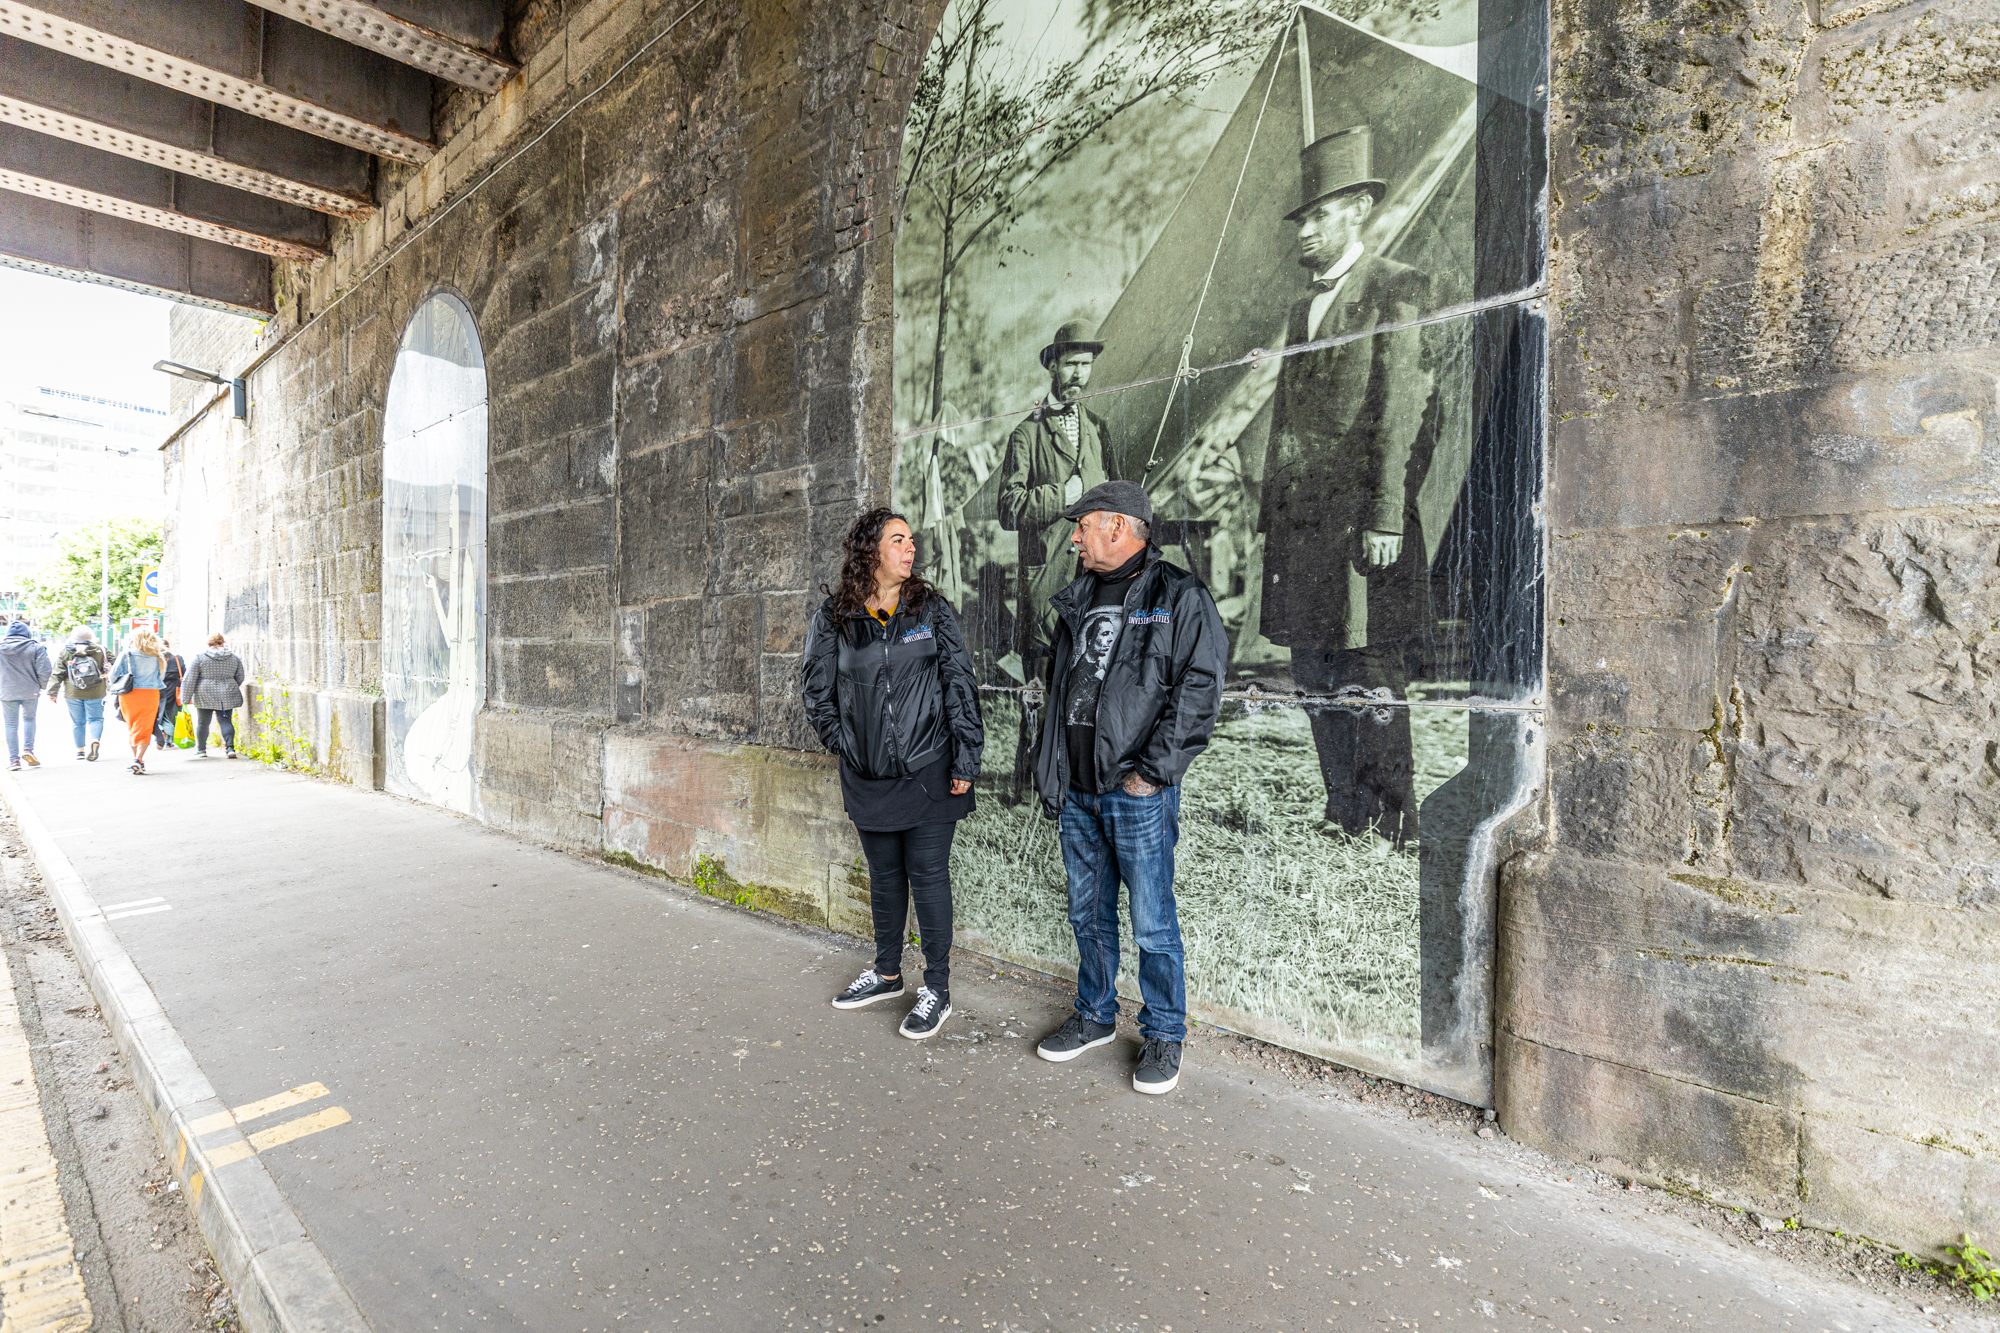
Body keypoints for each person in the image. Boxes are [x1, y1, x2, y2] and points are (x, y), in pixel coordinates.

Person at [1257, 124, 1434, 848]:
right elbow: (1285, 421)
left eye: (1322, 214)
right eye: (1302, 218)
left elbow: (1397, 412)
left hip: (1363, 520)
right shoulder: (1303, 311)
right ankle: (1345, 807)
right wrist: (1271, 516)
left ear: (1359, 208)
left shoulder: (1395, 287)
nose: (1307, 232)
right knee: (1312, 668)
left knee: (1371, 668)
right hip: (1302, 527)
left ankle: (1397, 815)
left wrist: (1386, 514)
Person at [1029, 481, 1225, 1095]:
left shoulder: (1178, 596)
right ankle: (1094, 1016)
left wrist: (1152, 773)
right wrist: (1054, 770)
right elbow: (1063, 690)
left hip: (1134, 791)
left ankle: (1165, 1032)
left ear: (1117, 526)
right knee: (1087, 914)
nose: (1073, 537)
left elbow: (1200, 691)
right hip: (1079, 791)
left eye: (1081, 526)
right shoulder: (1078, 596)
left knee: (1151, 922)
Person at [802, 507, 984, 1041]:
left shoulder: (930, 609)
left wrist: (966, 758)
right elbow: (817, 693)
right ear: (870, 552)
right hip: (868, 776)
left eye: (911, 541)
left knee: (927, 878)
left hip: (931, 769)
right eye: (898, 540)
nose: (910, 549)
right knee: (884, 878)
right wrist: (848, 746)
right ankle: (885, 974)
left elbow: (959, 683)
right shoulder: (835, 617)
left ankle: (937, 990)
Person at [997, 319, 1117, 793]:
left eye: (1086, 364)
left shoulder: (1099, 429)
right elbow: (1008, 508)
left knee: (1088, 682)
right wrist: (1062, 493)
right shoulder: (1026, 434)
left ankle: (1076, 779)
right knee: (1040, 685)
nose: (1079, 374)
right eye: (1071, 363)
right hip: (1045, 581)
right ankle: (1027, 782)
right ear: (1053, 365)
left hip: (1090, 579)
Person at [180, 633, 245, 758]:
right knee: (226, 720)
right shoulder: (233, 658)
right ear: (222, 643)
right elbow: (240, 676)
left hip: (204, 693)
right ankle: (230, 748)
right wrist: (230, 684)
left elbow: (190, 679)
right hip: (227, 692)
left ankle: (201, 749)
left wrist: (185, 698)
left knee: (203, 722)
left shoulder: (200, 658)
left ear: (209, 644)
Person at [48, 628, 109, 761]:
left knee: (77, 722)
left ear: (73, 637)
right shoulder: (100, 650)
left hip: (73, 691)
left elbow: (57, 672)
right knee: (96, 719)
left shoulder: (66, 651)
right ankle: (95, 740)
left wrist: (53, 692)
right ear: (91, 637)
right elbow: (115, 665)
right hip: (96, 690)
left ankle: (80, 751)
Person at [110, 631, 166, 775]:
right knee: (145, 726)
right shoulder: (158, 656)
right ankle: (138, 759)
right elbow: (161, 676)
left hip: (130, 694)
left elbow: (113, 675)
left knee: (133, 726)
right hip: (151, 694)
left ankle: (137, 759)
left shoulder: (127, 654)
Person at [0, 619, 49, 771]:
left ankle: (14, 760)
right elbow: (45, 670)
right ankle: (28, 750)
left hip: (7, 691)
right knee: (29, 719)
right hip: (30, 690)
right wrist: (41, 685)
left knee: (11, 724)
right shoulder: (36, 648)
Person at [156, 638, 186, 751]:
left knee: (160, 713)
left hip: (159, 689)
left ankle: (164, 733)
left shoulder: (155, 659)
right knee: (173, 713)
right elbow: (184, 673)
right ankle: (168, 740)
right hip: (175, 690)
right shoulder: (178, 658)